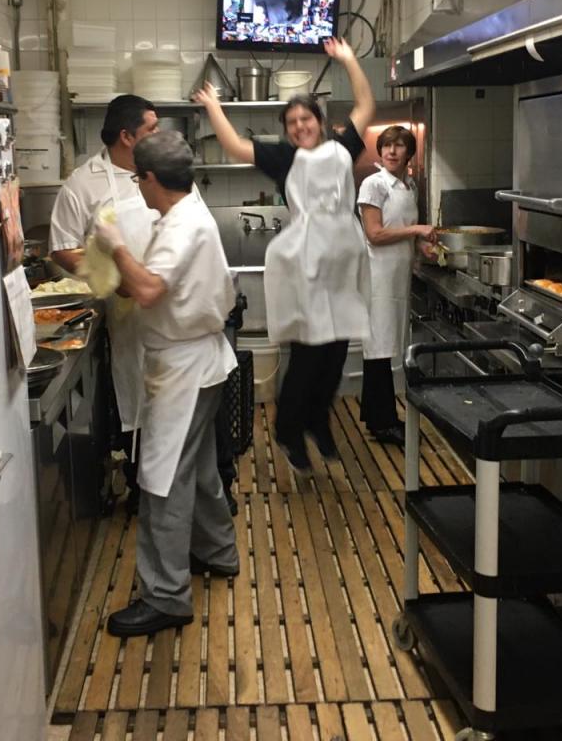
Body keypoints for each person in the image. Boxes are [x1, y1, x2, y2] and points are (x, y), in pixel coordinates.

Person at [194, 37, 373, 474]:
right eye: (291, 121)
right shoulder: (283, 157)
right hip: (305, 267)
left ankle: (318, 420)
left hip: (341, 265)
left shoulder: (342, 147)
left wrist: (349, 60)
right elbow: (236, 146)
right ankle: (290, 430)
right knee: (308, 355)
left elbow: (366, 104)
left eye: (305, 118)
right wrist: (213, 106)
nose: (298, 126)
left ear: (320, 121)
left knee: (335, 354)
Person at [95, 132, 239, 638]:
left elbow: (149, 288)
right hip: (199, 363)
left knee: (161, 482)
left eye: (138, 179)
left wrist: (114, 245)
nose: (138, 187)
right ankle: (217, 551)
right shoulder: (186, 213)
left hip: (182, 370)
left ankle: (166, 596)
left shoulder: (182, 224)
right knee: (197, 469)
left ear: (151, 178)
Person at [49, 95, 159, 499]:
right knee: (137, 396)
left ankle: (185, 487)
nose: (158, 135)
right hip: (124, 312)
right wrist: (113, 278)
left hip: (166, 302)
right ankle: (142, 487)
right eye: (152, 129)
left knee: (176, 398)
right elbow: (62, 247)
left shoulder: (161, 171)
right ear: (127, 137)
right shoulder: (83, 183)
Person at [357, 126, 435, 446]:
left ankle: (377, 417)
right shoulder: (374, 184)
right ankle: (384, 422)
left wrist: (422, 246)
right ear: (380, 150)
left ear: (409, 153)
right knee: (378, 348)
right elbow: (375, 234)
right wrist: (416, 230)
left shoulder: (408, 185)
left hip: (397, 276)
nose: (391, 151)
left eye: (399, 146)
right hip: (377, 277)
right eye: (387, 145)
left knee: (386, 347)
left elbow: (401, 228)